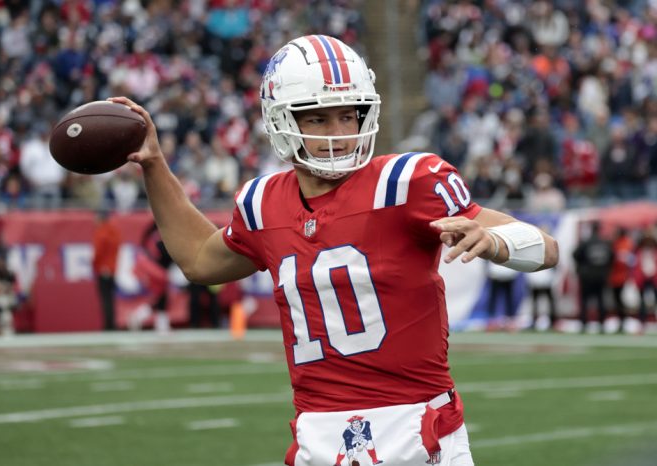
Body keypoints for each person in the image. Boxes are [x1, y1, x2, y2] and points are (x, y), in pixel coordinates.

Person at [110, 34, 558, 466]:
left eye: (349, 116)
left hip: (418, 430)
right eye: (318, 118)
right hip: (317, 437)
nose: (339, 133)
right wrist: (153, 164)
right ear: (281, 120)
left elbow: (547, 247)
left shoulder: (406, 182)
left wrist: (496, 241)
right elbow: (198, 260)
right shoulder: (262, 203)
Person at [572, 221, 614, 333]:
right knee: (601, 300)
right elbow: (611, 258)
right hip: (600, 276)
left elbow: (575, 255)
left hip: (586, 276)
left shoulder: (586, 242)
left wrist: (582, 266)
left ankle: (583, 323)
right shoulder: (605, 243)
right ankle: (602, 323)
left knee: (585, 300)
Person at [91, 209, 122, 331]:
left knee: (105, 299)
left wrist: (94, 264)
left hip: (103, 269)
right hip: (112, 268)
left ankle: (108, 325)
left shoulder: (101, 232)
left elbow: (98, 252)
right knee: (110, 298)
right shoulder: (114, 232)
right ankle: (112, 324)